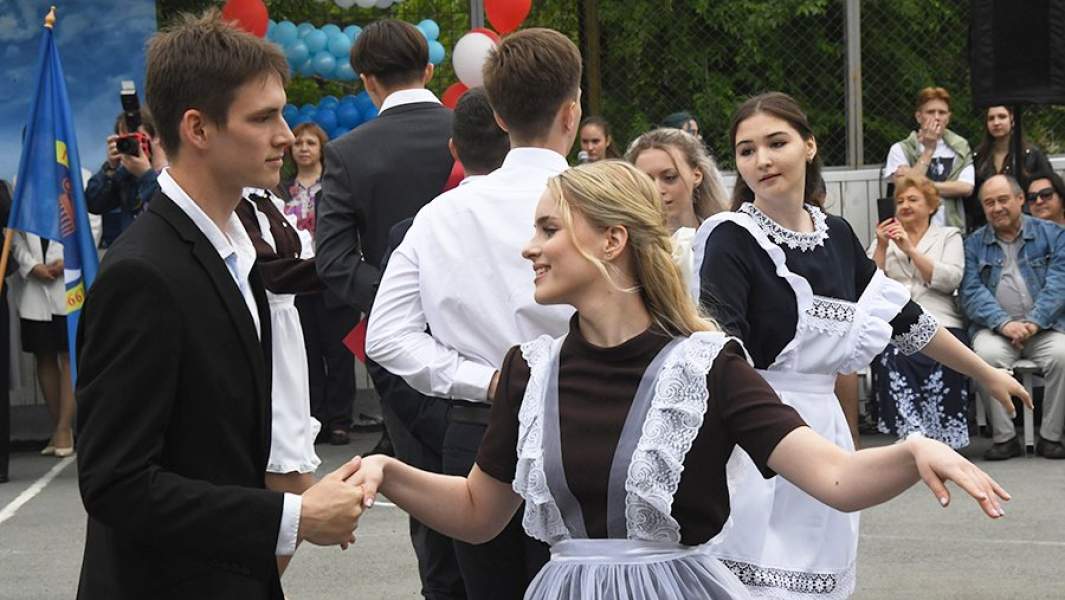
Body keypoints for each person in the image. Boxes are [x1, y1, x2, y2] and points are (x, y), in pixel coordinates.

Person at [350, 160, 1013, 600]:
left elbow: (835, 480)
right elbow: (477, 513)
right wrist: (387, 472)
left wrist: (912, 451)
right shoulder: (529, 370)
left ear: (612, 241)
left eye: (549, 228)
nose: (529, 247)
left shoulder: (707, 366)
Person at [74, 12, 364, 598]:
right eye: (262, 118)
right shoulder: (142, 274)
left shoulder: (239, 251)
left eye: (282, 114)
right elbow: (116, 483)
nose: (286, 135)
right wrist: (294, 517)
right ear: (198, 129)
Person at [693, 92, 1028, 598]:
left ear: (809, 146)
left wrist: (985, 372)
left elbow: (906, 319)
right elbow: (721, 352)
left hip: (825, 428)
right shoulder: (730, 237)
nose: (761, 160)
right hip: (755, 428)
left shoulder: (836, 235)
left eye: (776, 143)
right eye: (746, 150)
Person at [366, 30, 581, 600]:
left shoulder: (440, 215)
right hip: (587, 421)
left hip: (479, 425)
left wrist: (479, 380)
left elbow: (384, 337)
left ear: (501, 118)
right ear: (572, 112)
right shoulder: (598, 204)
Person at [314, 18, 462, 599]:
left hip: (400, 353)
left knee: (426, 495)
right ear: (430, 70)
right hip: (489, 338)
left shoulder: (348, 152)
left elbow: (333, 261)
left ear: (366, 81)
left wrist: (402, 302)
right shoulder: (478, 130)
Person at [236, 186, 323, 575]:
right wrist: (337, 267)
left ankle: (260, 584)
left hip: (285, 334)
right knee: (288, 477)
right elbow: (269, 274)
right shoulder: (234, 206)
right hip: (263, 333)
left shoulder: (265, 201)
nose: (279, 155)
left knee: (287, 478)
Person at [960, 174, 1065, 460]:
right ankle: (1005, 438)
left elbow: (1060, 284)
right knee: (985, 357)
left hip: (1045, 327)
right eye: (989, 203)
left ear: (1020, 200)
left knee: (1062, 354)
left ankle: (1051, 437)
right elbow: (971, 292)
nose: (997, 208)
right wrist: (1004, 324)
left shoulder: (1052, 235)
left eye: (1003, 200)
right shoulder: (973, 244)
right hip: (996, 329)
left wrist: (1033, 323)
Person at [278, 122, 369, 445]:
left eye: (310, 143)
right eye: (298, 143)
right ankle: (316, 418)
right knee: (307, 355)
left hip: (334, 281)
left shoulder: (334, 187)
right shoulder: (281, 189)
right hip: (297, 281)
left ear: (321, 149)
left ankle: (340, 419)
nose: (303, 148)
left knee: (338, 354)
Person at [868, 174, 969, 448]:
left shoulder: (949, 236)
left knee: (947, 354)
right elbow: (868, 285)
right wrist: (881, 245)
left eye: (913, 199)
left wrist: (910, 250)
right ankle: (910, 436)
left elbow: (950, 280)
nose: (904, 205)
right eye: (900, 201)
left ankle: (946, 438)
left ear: (932, 205)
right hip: (897, 319)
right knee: (893, 354)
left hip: (941, 317)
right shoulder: (884, 238)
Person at [626, 127, 728, 289]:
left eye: (669, 177)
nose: (657, 189)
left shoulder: (724, 239)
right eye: (645, 181)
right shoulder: (627, 253)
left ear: (696, 175)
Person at [882, 87, 974, 229]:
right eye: (930, 112)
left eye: (942, 112)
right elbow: (905, 189)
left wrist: (919, 182)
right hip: (911, 230)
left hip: (951, 228)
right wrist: (929, 150)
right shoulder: (901, 149)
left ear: (948, 117)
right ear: (919, 116)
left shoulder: (960, 146)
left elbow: (966, 187)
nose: (936, 117)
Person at [84, 109, 166, 247]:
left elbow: (170, 209)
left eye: (137, 138)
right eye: (125, 139)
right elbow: (93, 204)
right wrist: (110, 168)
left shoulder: (175, 173)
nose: (132, 144)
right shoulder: (125, 175)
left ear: (156, 138)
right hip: (133, 252)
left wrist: (146, 175)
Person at [970, 105, 1053, 231]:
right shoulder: (979, 157)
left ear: (1012, 119)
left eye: (1002, 117)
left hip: (1026, 224)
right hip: (987, 225)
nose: (996, 122)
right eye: (991, 118)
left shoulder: (1031, 155)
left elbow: (1047, 189)